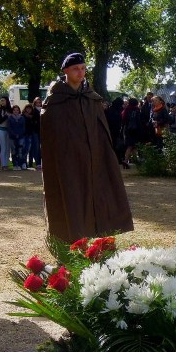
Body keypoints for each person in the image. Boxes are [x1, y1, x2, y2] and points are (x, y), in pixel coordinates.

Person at [40, 52, 133, 243]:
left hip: (95, 159)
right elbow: (51, 136)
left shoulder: (92, 98)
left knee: (98, 196)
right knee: (73, 198)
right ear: (65, 71)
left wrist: (103, 157)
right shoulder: (55, 101)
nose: (80, 73)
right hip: (68, 161)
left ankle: (98, 239)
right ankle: (73, 240)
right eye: (75, 69)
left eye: (83, 68)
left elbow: (102, 133)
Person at [121, 97, 141, 168]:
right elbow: (139, 121)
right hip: (135, 130)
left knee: (132, 146)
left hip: (128, 130)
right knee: (132, 146)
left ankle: (135, 160)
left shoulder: (126, 110)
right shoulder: (137, 110)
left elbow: (123, 120)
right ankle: (126, 160)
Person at [0, 96, 12, 169]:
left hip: (8, 130)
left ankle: (6, 164)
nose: (2, 102)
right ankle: (3, 165)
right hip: (1, 130)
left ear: (7, 101)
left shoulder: (10, 109)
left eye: (3, 100)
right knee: (3, 147)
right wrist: (6, 116)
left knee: (8, 148)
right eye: (1, 100)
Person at [8, 105, 26, 170]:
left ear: (19, 111)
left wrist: (19, 134)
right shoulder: (10, 118)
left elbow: (23, 127)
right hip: (12, 137)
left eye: (17, 110)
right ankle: (15, 164)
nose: (16, 111)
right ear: (12, 111)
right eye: (14, 110)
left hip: (21, 136)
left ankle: (20, 164)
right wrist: (14, 134)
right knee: (13, 151)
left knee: (20, 151)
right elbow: (9, 128)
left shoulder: (22, 118)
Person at [29, 97, 42, 169]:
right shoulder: (33, 110)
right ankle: (38, 163)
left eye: (39, 102)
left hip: (42, 131)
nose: (38, 103)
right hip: (35, 131)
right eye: (37, 102)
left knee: (42, 148)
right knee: (36, 147)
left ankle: (42, 162)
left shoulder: (44, 110)